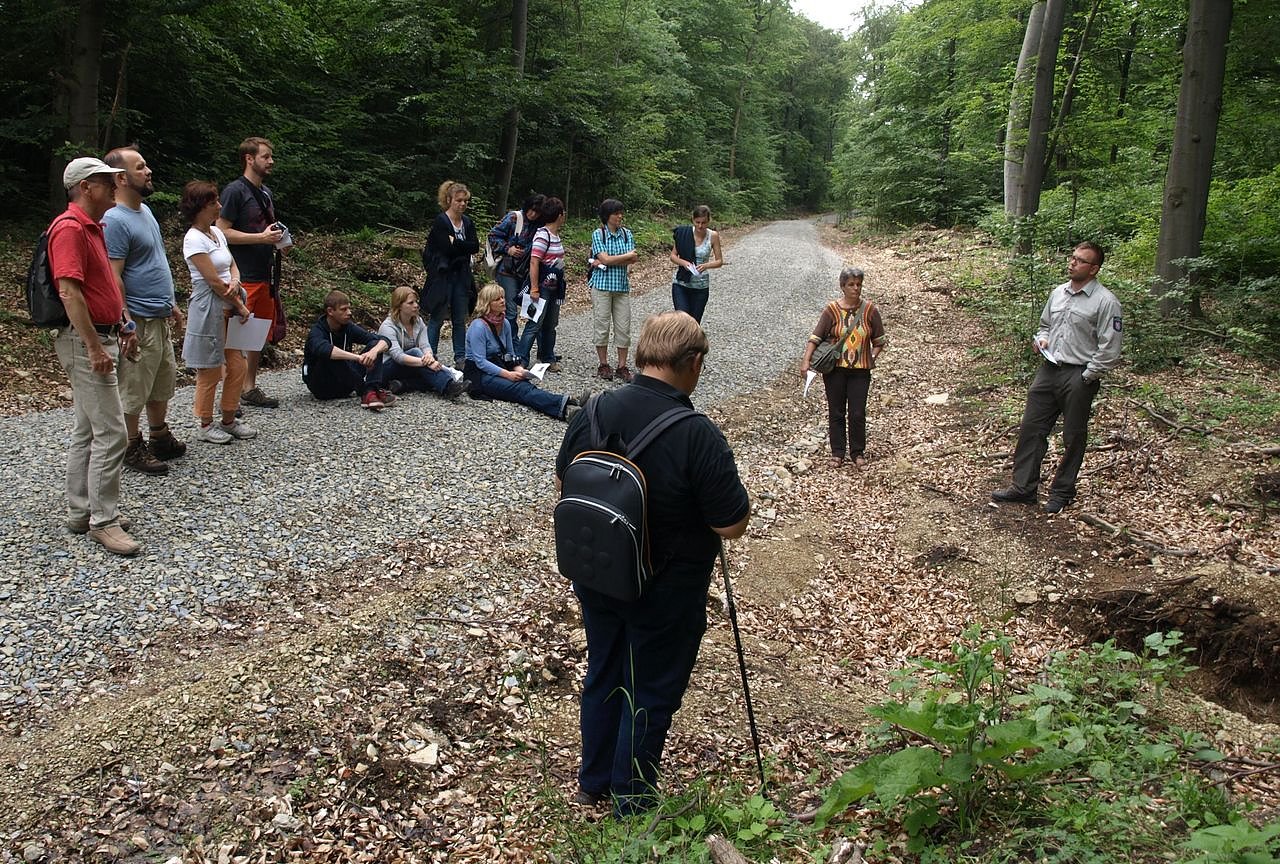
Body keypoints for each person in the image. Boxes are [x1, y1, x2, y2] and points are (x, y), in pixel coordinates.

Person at [555, 311, 751, 815]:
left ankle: (593, 782)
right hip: (666, 590)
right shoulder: (696, 434)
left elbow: (563, 482)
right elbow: (730, 524)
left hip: (598, 572)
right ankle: (632, 804)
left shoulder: (593, 411)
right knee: (652, 691)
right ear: (694, 362)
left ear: (642, 353)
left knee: (604, 671)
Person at [50, 156, 140, 555]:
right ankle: (104, 521)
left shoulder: (94, 227)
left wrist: (122, 323)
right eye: (106, 182)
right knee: (112, 432)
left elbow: (101, 286)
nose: (114, 187)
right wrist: (92, 346)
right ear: (85, 187)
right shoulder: (70, 228)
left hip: (101, 335)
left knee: (87, 428)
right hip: (85, 341)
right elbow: (69, 291)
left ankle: (81, 511)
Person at [991, 242, 1123, 514]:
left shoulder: (1106, 302)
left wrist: (1088, 376)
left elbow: (1110, 347)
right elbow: (1045, 326)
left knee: (1073, 435)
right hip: (1049, 369)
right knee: (1031, 428)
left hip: (1079, 375)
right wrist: (1042, 340)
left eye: (1080, 260)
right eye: (1072, 257)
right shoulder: (1058, 293)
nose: (1073, 263)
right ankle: (1023, 487)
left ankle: (1062, 492)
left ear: (1094, 269)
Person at [102, 145, 186, 475]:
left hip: (159, 315)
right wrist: (125, 322)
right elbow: (114, 276)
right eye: (140, 167)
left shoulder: (146, 211)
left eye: (146, 165)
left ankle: (159, 436)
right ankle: (131, 445)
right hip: (138, 318)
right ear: (120, 178)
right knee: (135, 386)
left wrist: (171, 304)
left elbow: (155, 262)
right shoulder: (114, 220)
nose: (148, 171)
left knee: (161, 381)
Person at [180, 181, 258, 445]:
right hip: (209, 309)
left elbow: (232, 264)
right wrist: (241, 306)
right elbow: (213, 281)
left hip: (230, 306)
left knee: (237, 365)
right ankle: (205, 423)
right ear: (200, 207)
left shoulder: (216, 232)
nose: (219, 206)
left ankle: (228, 418)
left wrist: (236, 280)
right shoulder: (193, 239)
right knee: (210, 369)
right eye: (213, 202)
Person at [217, 136, 285, 409]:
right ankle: (228, 396)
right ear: (249, 158)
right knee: (234, 337)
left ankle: (249, 387)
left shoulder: (266, 193)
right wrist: (260, 239)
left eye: (271, 156)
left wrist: (280, 242)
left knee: (257, 335)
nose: (271, 161)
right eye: (265, 156)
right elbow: (221, 231)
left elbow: (267, 229)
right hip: (242, 275)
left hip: (266, 274)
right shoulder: (235, 191)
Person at [800, 267, 887, 468]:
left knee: (857, 412)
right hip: (835, 369)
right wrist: (806, 361)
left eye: (858, 284)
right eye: (851, 284)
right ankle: (837, 452)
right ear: (842, 286)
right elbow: (815, 337)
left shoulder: (870, 311)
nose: (855, 288)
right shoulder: (831, 310)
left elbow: (879, 340)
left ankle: (857, 452)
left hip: (860, 371)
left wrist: (871, 356)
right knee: (836, 411)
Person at [464, 285, 586, 420]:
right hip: (479, 374)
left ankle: (567, 403)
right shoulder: (478, 327)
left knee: (524, 385)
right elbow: (480, 362)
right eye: (497, 299)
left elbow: (510, 354)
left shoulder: (505, 323)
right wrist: (508, 374)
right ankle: (566, 407)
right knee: (519, 389)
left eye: (503, 297)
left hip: (499, 365)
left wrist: (520, 370)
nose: (502, 301)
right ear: (487, 304)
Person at [304, 290, 395, 409]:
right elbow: (323, 349)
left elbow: (384, 340)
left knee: (375, 345)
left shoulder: (348, 327)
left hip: (346, 383)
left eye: (349, 308)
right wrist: (358, 358)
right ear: (330, 311)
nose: (349, 313)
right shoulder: (317, 331)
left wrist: (373, 352)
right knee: (331, 356)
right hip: (322, 387)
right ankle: (366, 391)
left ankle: (371, 390)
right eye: (343, 309)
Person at [422, 180, 479, 366]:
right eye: (459, 200)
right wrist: (460, 248)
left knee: (459, 318)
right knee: (437, 317)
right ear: (449, 200)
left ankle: (460, 357)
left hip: (462, 276)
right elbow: (445, 248)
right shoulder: (441, 221)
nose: (462, 204)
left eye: (465, 201)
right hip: (443, 276)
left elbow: (475, 246)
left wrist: (457, 243)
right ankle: (431, 355)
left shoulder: (467, 223)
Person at [378, 286, 468, 399]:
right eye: (411, 303)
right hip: (386, 368)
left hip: (407, 366)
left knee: (430, 366)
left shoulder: (418, 321)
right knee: (418, 354)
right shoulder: (388, 327)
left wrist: (429, 356)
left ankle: (403, 385)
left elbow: (425, 345)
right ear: (399, 306)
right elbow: (398, 356)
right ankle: (448, 387)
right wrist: (427, 363)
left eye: (416, 302)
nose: (416, 305)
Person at [589, 198, 639, 382]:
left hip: (621, 287)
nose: (620, 216)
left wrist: (611, 259)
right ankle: (603, 364)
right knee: (602, 326)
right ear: (607, 216)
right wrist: (622, 258)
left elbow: (632, 259)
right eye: (616, 213)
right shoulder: (598, 234)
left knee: (623, 327)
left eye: (620, 213)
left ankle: (622, 366)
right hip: (601, 287)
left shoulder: (627, 234)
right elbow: (605, 259)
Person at [516, 196, 568, 371]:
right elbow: (534, 262)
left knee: (551, 324)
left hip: (555, 287)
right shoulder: (543, 235)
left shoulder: (555, 235)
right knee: (534, 323)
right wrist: (534, 288)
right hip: (542, 286)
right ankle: (521, 359)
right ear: (559, 215)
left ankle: (548, 357)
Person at [488, 193, 544, 337]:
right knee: (511, 310)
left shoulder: (540, 225)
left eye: (537, 212)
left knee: (530, 310)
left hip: (526, 271)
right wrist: (508, 249)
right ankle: (510, 343)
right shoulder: (514, 217)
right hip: (507, 270)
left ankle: (513, 342)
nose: (533, 214)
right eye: (531, 210)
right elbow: (493, 236)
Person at [669, 205, 724, 324]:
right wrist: (684, 263)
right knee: (683, 320)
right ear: (693, 220)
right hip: (681, 283)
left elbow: (719, 261)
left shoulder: (713, 236)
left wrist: (706, 266)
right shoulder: (684, 233)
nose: (700, 226)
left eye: (703, 223)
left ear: (708, 221)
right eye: (697, 222)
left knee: (694, 323)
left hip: (700, 286)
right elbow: (673, 256)